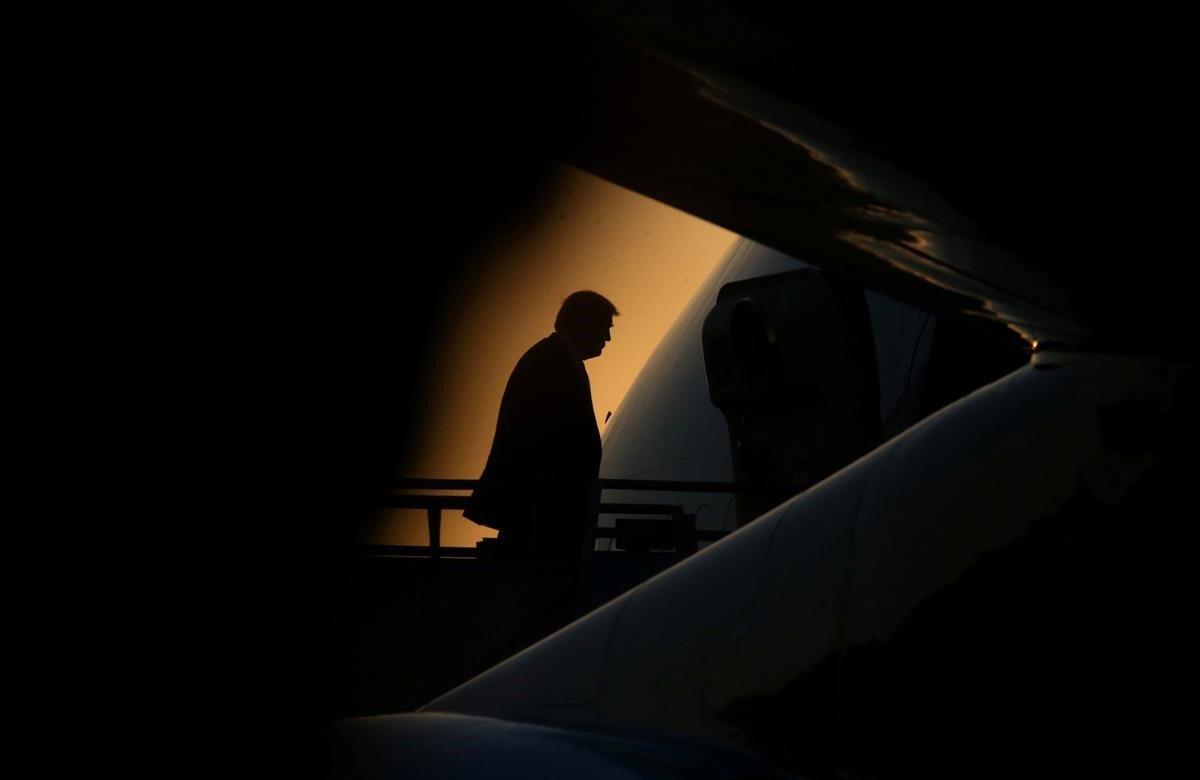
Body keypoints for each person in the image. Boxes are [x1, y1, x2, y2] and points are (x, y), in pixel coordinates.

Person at [465, 291, 618, 558]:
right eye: (604, 327)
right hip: (543, 511)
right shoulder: (550, 363)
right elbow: (546, 443)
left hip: (544, 509)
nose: (607, 338)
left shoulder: (555, 359)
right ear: (583, 322)